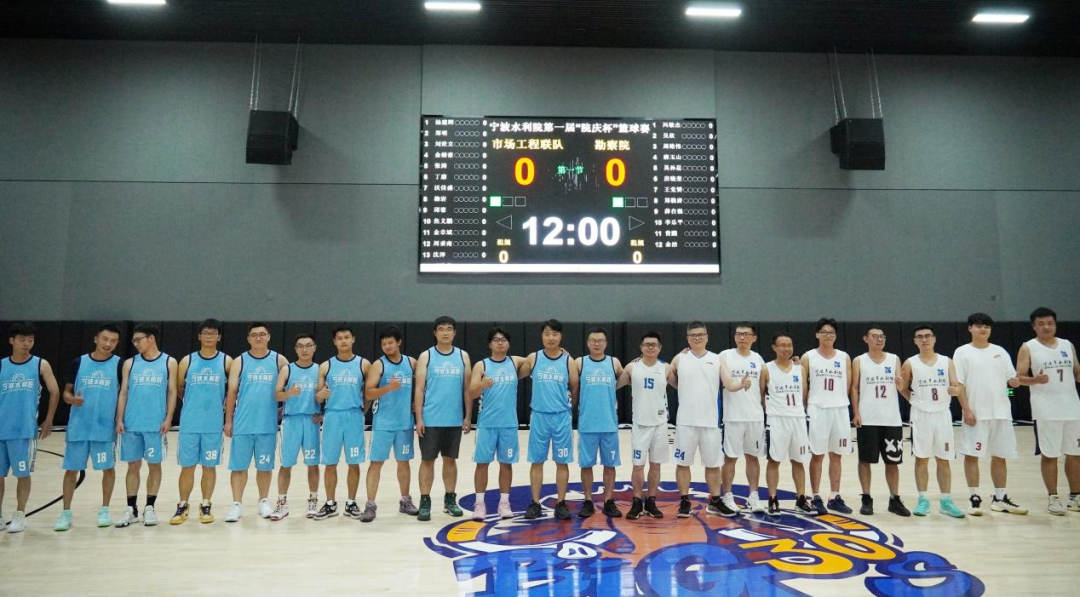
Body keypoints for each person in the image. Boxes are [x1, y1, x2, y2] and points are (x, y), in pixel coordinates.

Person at [954, 312, 1026, 516]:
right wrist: (966, 409)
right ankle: (974, 498)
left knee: (1000, 456)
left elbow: (1010, 381)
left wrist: (1014, 384)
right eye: (978, 326)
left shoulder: (1000, 351)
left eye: (986, 326)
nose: (983, 329)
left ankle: (1000, 498)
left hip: (1001, 413)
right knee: (972, 455)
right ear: (970, 328)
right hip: (976, 415)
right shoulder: (962, 352)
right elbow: (959, 385)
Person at [55, 323, 122, 531]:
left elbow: (124, 393)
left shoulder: (119, 365)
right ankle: (66, 513)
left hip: (104, 429)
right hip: (79, 427)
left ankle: (105, 510)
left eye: (113, 341)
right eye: (105, 339)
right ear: (96, 339)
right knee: (71, 471)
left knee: (108, 469)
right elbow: (66, 392)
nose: (108, 344)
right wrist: (70, 399)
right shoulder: (79, 362)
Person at [1015, 307, 1080, 515]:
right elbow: (1019, 377)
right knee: (1050, 455)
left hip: (1072, 408)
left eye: (1050, 323)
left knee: (1075, 454)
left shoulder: (1067, 345)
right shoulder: (1028, 347)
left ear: (1055, 324)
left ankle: (1075, 497)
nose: (1046, 327)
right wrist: (1035, 379)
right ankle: (1053, 497)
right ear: (1034, 326)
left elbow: (1077, 372)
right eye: (1041, 324)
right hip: (1046, 411)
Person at [900, 324, 967, 518]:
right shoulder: (910, 363)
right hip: (920, 416)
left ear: (934, 339)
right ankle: (922, 499)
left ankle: (946, 500)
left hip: (942, 415)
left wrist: (956, 390)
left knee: (943, 458)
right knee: (921, 458)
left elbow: (957, 386)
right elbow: (902, 387)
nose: (924, 339)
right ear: (915, 341)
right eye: (920, 337)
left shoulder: (947, 362)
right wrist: (913, 400)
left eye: (927, 336)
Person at [114, 323, 177, 528]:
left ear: (151, 338)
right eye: (133, 340)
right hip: (132, 423)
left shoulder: (169, 362)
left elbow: (172, 392)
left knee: (154, 465)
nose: (135, 343)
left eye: (138, 339)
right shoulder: (130, 363)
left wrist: (169, 418)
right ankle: (131, 508)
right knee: (133, 466)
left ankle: (150, 507)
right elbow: (123, 392)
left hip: (155, 424)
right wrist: (119, 419)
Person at [224, 322, 287, 522]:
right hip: (243, 423)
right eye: (254, 335)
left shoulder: (279, 360)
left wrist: (285, 412)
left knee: (265, 466)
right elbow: (231, 392)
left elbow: (289, 390)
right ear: (248, 338)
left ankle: (263, 501)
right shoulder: (239, 361)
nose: (258, 338)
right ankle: (236, 504)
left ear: (268, 336)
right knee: (238, 467)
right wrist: (228, 421)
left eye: (262, 334)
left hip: (267, 424)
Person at [0, 322, 60, 533]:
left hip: (24, 431)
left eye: (30, 340)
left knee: (22, 474)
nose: (26, 343)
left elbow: (54, 391)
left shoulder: (40, 364)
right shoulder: (2, 365)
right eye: (22, 339)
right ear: (12, 341)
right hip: (1, 429)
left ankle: (20, 515)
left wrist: (49, 419)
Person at [171, 319, 232, 525]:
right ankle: (183, 505)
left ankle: (206, 504)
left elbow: (233, 389)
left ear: (219, 337)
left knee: (209, 466)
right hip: (190, 423)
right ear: (199, 336)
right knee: (187, 467)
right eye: (205, 333)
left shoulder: (227, 361)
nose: (209, 337)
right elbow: (179, 388)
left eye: (213, 333)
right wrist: (193, 404)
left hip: (213, 424)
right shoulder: (187, 361)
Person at [469, 327, 531, 521]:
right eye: (496, 340)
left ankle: (504, 503)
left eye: (503, 339)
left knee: (506, 464)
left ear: (509, 343)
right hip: (487, 424)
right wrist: (482, 385)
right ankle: (479, 504)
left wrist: (561, 353)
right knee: (482, 464)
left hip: (508, 424)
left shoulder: (515, 362)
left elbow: (535, 360)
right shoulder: (482, 365)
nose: (500, 343)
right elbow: (472, 392)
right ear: (490, 344)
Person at [413, 316, 472, 521]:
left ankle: (449, 500)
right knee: (427, 461)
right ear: (435, 333)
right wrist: (419, 418)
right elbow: (419, 389)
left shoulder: (463, 356)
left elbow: (467, 389)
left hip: (454, 419)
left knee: (450, 460)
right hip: (431, 419)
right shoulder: (426, 356)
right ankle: (425, 501)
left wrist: (468, 416)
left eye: (449, 329)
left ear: (454, 332)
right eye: (441, 329)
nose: (445, 332)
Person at [669, 321, 731, 518]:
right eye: (693, 335)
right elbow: (667, 375)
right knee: (683, 463)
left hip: (710, 421)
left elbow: (729, 383)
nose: (697, 338)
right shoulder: (680, 358)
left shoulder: (716, 358)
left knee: (713, 464)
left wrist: (741, 384)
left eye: (700, 334)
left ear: (707, 337)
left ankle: (715, 501)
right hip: (685, 421)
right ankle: (684, 501)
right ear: (687, 338)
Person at [851, 325, 910, 517]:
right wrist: (856, 412)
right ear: (865, 339)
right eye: (875, 336)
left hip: (891, 419)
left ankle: (894, 499)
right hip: (868, 418)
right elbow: (854, 388)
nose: (879, 339)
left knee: (892, 462)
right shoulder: (859, 360)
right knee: (865, 460)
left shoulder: (894, 359)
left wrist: (902, 385)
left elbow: (901, 386)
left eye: (882, 336)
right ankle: (866, 497)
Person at [523, 319, 580, 520]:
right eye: (547, 333)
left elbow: (575, 387)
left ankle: (561, 503)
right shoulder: (534, 358)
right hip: (539, 416)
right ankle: (535, 503)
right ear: (542, 336)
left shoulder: (568, 361)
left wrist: (568, 409)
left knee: (562, 462)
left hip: (561, 417)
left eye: (555, 334)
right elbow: (514, 370)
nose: (551, 338)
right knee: (536, 461)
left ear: (560, 337)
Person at [362, 326, 419, 522]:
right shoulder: (379, 365)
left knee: (403, 462)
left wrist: (418, 402)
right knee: (376, 463)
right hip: (383, 423)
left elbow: (425, 384)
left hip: (404, 423)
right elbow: (369, 393)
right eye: (384, 343)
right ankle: (370, 505)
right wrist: (389, 388)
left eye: (390, 342)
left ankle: (405, 501)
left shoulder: (411, 363)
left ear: (399, 342)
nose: (387, 346)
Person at [314, 326, 369, 521]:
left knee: (353, 462)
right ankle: (330, 503)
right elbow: (318, 396)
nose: (343, 341)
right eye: (340, 338)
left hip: (354, 416)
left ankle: (351, 503)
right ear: (334, 342)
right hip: (332, 417)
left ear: (353, 339)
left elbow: (369, 393)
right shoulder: (325, 366)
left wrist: (362, 411)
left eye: (347, 337)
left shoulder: (364, 364)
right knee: (330, 463)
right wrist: (320, 396)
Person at [801, 318, 853, 515]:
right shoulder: (808, 357)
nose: (828, 335)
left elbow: (848, 385)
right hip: (817, 409)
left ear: (836, 335)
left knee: (836, 454)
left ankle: (834, 496)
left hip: (839, 408)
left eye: (831, 332)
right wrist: (806, 407)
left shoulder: (844, 357)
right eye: (824, 332)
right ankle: (815, 496)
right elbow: (803, 387)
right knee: (817, 454)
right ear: (817, 334)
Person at [760, 332, 814, 516]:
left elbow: (804, 395)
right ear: (774, 347)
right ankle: (772, 498)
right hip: (777, 420)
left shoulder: (800, 369)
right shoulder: (767, 368)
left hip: (797, 419)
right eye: (782, 345)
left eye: (789, 345)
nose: (787, 348)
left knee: (799, 460)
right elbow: (761, 396)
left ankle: (801, 499)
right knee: (774, 460)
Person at [617, 331, 669, 520]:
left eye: (654, 345)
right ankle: (637, 501)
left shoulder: (666, 368)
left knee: (655, 464)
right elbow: (613, 385)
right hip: (640, 424)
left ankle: (651, 501)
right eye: (647, 344)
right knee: (638, 465)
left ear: (659, 348)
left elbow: (683, 385)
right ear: (641, 347)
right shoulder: (632, 368)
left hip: (660, 424)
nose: (650, 347)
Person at [270, 332, 321, 521]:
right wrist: (289, 393)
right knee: (286, 464)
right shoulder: (287, 370)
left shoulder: (320, 370)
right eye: (301, 346)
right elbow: (276, 395)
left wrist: (324, 414)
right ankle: (281, 502)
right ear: (296, 349)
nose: (304, 349)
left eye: (308, 345)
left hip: (312, 421)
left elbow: (328, 395)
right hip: (291, 421)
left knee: (312, 464)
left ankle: (313, 500)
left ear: (314, 348)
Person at [574, 327, 624, 518]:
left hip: (609, 424)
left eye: (600, 340)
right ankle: (588, 501)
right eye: (593, 340)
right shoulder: (580, 363)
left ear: (606, 343)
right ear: (588, 343)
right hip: (587, 424)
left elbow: (628, 376)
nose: (597, 343)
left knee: (610, 465)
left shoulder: (614, 362)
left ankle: (609, 501)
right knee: (586, 465)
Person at [718, 323, 767, 515]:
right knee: (730, 457)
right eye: (739, 334)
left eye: (746, 334)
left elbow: (762, 388)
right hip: (733, 416)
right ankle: (727, 495)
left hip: (755, 416)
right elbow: (725, 381)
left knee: (752, 457)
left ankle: (753, 495)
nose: (742, 337)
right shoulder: (725, 356)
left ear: (754, 338)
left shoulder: (758, 359)